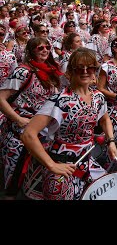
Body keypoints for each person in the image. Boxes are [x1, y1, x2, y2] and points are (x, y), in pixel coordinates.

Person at [20, 48, 117, 200]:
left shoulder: (98, 97)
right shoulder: (59, 100)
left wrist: (111, 141)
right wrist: (51, 165)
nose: (85, 71)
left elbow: (104, 119)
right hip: (61, 166)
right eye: (79, 68)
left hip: (86, 162)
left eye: (90, 67)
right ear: (70, 71)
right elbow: (28, 134)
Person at [0, 37, 61, 199]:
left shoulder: (52, 71)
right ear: (31, 50)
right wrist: (18, 119)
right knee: (14, 182)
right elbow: (1, 98)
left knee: (38, 181)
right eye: (40, 48)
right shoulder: (23, 71)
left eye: (47, 47)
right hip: (21, 134)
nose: (45, 50)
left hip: (44, 133)